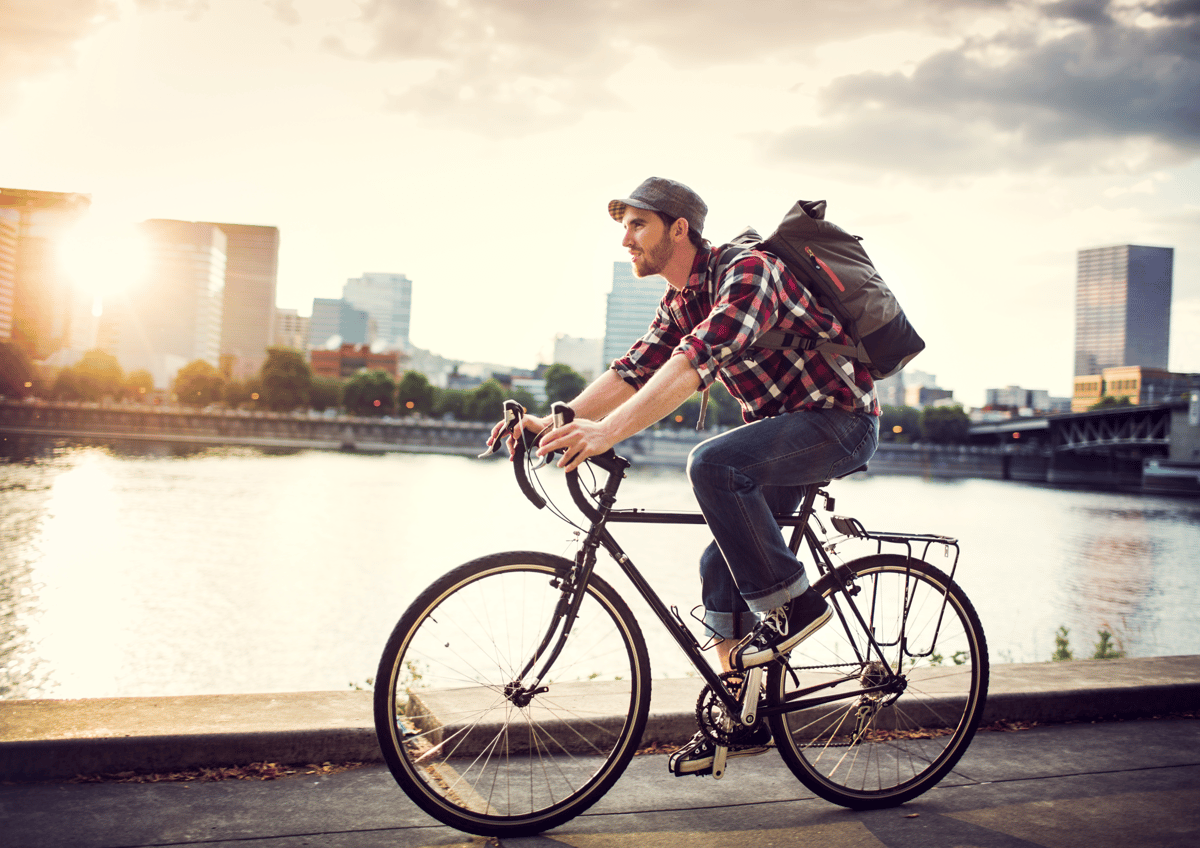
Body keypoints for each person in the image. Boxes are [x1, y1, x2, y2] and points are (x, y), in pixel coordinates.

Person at [488, 176, 879, 775]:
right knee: (718, 567)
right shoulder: (678, 301)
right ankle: (745, 720)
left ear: (679, 229)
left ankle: (798, 609)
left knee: (713, 463)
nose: (626, 239)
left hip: (838, 424)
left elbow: (695, 363)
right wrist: (553, 422)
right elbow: (632, 371)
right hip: (782, 436)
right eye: (623, 226)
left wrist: (607, 434)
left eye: (637, 224)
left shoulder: (749, 272)